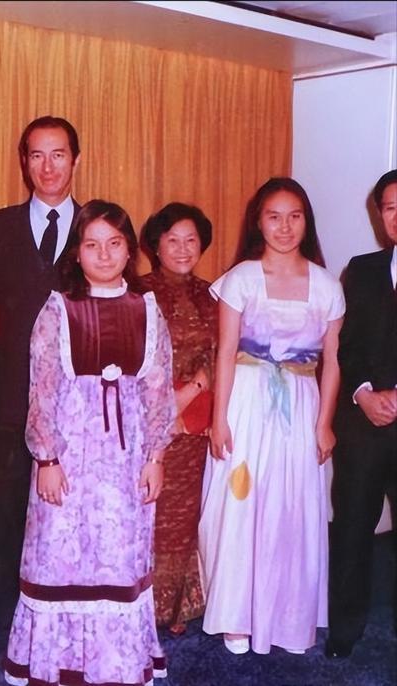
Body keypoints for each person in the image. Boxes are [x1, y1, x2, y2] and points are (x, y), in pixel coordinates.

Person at [3, 199, 176, 685]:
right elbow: (42, 388)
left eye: (114, 244)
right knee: (58, 551)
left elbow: (159, 389)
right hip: (69, 455)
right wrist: (47, 459)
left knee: (119, 554)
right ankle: (59, 663)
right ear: (76, 252)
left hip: (126, 458)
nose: (104, 255)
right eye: (92, 244)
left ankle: (115, 663)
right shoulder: (59, 309)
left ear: (130, 250)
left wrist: (156, 456)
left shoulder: (147, 309)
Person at [199, 177, 345, 655]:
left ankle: (288, 618)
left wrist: (324, 423)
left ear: (307, 222)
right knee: (242, 503)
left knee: (292, 507)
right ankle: (237, 615)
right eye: (274, 217)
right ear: (258, 222)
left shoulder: (327, 285)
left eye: (294, 216)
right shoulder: (241, 278)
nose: (285, 227)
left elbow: (333, 360)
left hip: (300, 405)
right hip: (246, 399)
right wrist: (220, 418)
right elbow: (224, 352)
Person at [0, 115, 81, 632]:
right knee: (4, 511)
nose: (48, 166)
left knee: (71, 512)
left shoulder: (98, 228)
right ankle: (5, 618)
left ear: (75, 160)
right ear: (24, 162)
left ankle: (65, 613)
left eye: (58, 154)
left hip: (79, 407)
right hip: (8, 400)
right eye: (37, 155)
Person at [326, 169, 397, 658]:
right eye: (390, 208)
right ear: (380, 216)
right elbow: (344, 347)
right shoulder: (362, 268)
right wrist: (363, 393)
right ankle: (344, 631)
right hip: (364, 423)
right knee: (351, 528)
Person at [139, 202, 218, 634]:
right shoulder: (138, 292)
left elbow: (223, 353)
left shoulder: (212, 296)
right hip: (148, 421)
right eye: (173, 240)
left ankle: (175, 608)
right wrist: (169, 403)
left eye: (191, 240)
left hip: (195, 425)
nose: (183, 249)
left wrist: (194, 394)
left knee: (186, 515)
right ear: (156, 245)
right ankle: (141, 607)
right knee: (149, 513)